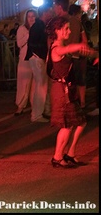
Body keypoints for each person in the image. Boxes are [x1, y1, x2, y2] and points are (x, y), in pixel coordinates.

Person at [45, 16, 98, 168]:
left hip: (68, 89)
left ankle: (70, 153)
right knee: (67, 125)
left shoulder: (61, 46)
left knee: (81, 122)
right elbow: (66, 50)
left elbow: (72, 52)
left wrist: (91, 54)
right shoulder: (56, 48)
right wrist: (79, 46)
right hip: (62, 91)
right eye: (66, 28)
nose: (69, 31)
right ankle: (57, 157)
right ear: (57, 30)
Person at [24, 4, 53, 123]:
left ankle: (42, 111)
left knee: (42, 86)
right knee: (41, 86)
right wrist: (42, 53)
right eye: (50, 11)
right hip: (37, 58)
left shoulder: (40, 25)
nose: (51, 13)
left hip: (37, 57)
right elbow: (32, 43)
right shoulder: (38, 26)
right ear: (45, 13)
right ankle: (36, 114)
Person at [64, 4, 89, 109]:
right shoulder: (78, 22)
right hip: (79, 55)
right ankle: (82, 102)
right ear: (77, 13)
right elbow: (84, 39)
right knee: (80, 80)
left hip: (69, 55)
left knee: (71, 81)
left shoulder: (65, 21)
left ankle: (73, 102)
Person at [14, 9, 36, 116]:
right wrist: (28, 35)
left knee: (35, 83)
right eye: (29, 16)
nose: (31, 18)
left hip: (36, 58)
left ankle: (34, 105)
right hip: (25, 59)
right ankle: (20, 105)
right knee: (23, 83)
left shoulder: (39, 28)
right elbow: (19, 44)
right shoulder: (22, 29)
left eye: (33, 16)